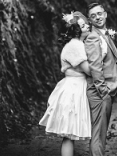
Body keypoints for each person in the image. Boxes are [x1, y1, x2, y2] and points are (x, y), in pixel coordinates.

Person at [39, 11, 93, 156]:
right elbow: (88, 70)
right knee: (69, 134)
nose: (88, 27)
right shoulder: (75, 45)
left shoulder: (78, 44)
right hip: (73, 90)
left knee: (70, 135)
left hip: (76, 87)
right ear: (76, 29)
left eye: (86, 24)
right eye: (83, 25)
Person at [85, 3, 117, 156]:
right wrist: (104, 91)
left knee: (101, 134)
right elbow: (95, 67)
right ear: (90, 20)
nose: (97, 17)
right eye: (93, 16)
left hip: (106, 90)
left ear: (105, 14)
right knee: (98, 135)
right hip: (100, 92)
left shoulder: (103, 34)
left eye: (99, 13)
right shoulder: (93, 37)